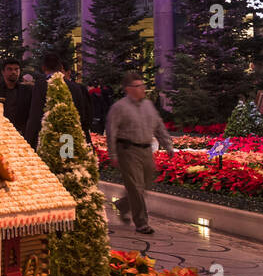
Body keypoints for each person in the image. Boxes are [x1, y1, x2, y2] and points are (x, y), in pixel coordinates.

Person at [106, 72, 174, 235]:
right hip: (127, 151)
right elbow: (111, 131)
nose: (143, 88)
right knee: (135, 187)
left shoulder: (148, 105)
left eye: (143, 85)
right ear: (128, 89)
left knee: (145, 184)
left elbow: (159, 127)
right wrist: (113, 154)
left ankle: (123, 205)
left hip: (146, 150)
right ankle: (142, 222)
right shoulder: (119, 107)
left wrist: (168, 145)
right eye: (138, 86)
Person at [24, 53, 91, 147]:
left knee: (47, 160)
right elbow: (82, 115)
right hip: (68, 137)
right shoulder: (75, 87)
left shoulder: (41, 85)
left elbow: (35, 115)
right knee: (66, 159)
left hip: (47, 137)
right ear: (60, 67)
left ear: (43, 67)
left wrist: (29, 140)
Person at [0, 58, 31, 131]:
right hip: (0, 131)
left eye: (16, 69)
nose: (14, 72)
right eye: (10, 69)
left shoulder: (27, 91)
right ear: (3, 72)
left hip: (22, 132)